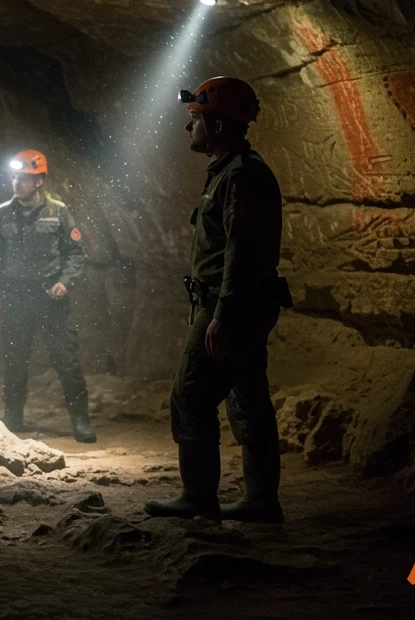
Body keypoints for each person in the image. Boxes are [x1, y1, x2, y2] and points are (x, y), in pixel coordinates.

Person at [145, 77, 288, 523]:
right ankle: (261, 501)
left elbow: (241, 252)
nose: (190, 130)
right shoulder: (230, 172)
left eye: (196, 121)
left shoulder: (244, 175)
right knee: (247, 399)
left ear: (219, 125)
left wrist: (222, 314)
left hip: (232, 306)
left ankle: (198, 496)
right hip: (236, 303)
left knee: (190, 395)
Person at [0, 150, 95, 443]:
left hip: (51, 296)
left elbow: (76, 253)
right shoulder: (1, 213)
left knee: (67, 361)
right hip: (16, 297)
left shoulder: (58, 211)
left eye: (24, 179)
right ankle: (13, 417)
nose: (17, 183)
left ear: (39, 181)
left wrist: (65, 281)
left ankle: (80, 421)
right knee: (15, 359)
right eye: (14, 178)